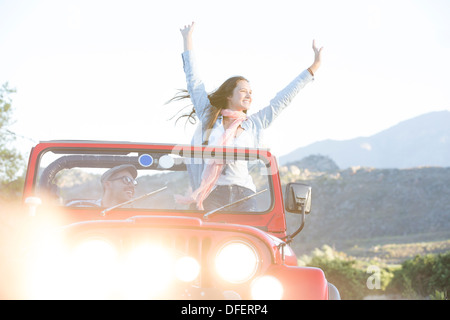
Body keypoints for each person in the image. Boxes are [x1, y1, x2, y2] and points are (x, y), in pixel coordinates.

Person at [172, 22, 323, 211]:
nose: (249, 95)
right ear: (229, 95)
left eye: (251, 92)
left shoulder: (255, 123)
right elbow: (194, 82)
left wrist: (313, 68)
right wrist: (188, 40)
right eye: (243, 91)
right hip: (212, 194)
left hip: (243, 195)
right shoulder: (208, 115)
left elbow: (283, 99)